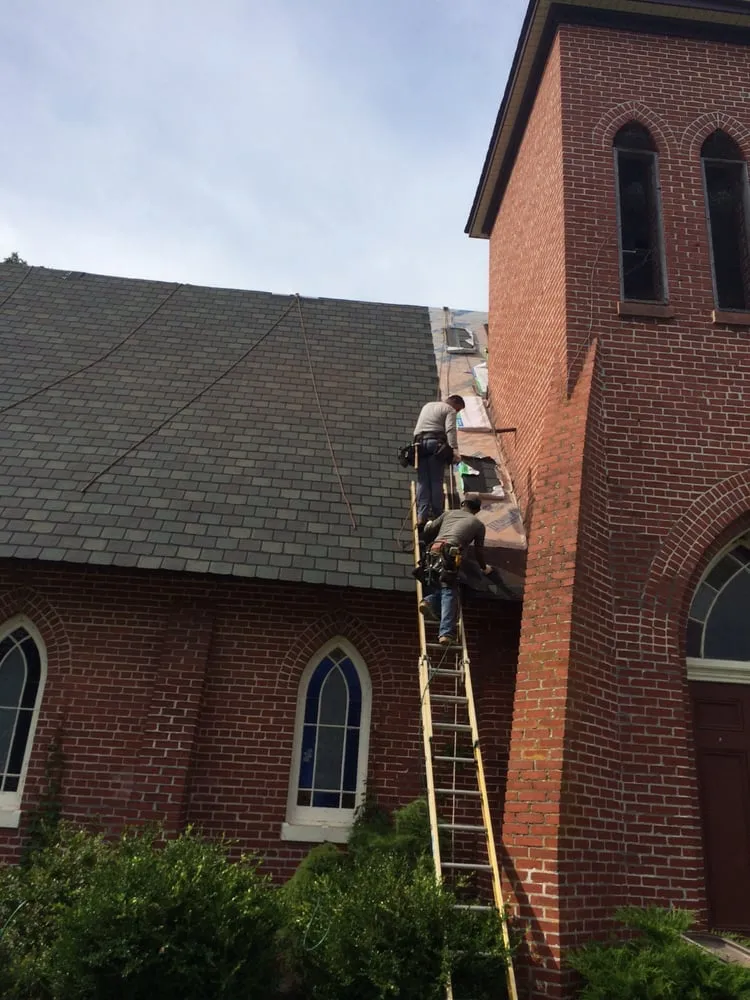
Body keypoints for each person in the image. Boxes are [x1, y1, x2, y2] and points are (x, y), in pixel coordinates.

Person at [418, 497, 493, 645]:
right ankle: (445, 633)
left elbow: (429, 529)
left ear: (463, 504)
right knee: (449, 591)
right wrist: (484, 568)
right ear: (477, 510)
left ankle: (429, 601)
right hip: (450, 554)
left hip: (434, 551)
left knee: (442, 584)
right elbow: (479, 551)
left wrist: (426, 524)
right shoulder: (478, 524)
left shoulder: (449, 514)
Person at [412, 394, 465, 527]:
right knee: (436, 481)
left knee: (423, 481)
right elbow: (450, 429)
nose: (457, 412)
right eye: (458, 410)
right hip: (436, 444)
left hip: (419, 445)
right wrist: (454, 450)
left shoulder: (428, 406)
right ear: (455, 403)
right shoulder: (449, 409)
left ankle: (421, 516)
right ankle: (437, 514)